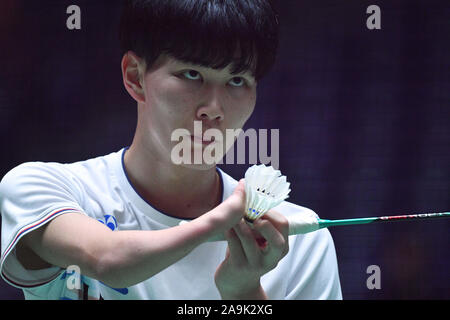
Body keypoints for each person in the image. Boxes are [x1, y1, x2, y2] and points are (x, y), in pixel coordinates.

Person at [0, 0, 342, 300]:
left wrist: (243, 294)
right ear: (135, 76)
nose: (214, 108)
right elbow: (106, 260)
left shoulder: (298, 241)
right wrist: (224, 218)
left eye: (237, 81)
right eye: (192, 74)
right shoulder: (46, 189)